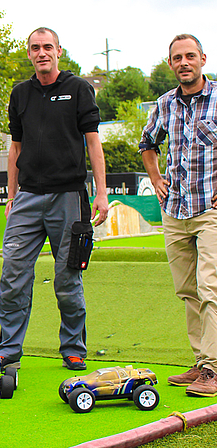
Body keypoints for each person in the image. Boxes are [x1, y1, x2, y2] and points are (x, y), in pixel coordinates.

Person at [0, 27, 109, 371]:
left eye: (47, 47)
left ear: (59, 51)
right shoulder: (20, 94)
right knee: (13, 275)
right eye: (35, 48)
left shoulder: (78, 89)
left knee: (67, 278)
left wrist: (101, 192)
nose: (41, 52)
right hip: (27, 197)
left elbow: (93, 142)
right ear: (28, 54)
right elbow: (15, 148)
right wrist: (11, 195)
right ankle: (8, 349)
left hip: (69, 197)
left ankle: (73, 347)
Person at [140, 34, 217, 397]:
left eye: (190, 56)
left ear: (203, 58)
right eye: (177, 58)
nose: (184, 62)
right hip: (175, 211)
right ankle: (202, 360)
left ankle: (214, 370)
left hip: (210, 210)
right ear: (170, 64)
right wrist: (155, 178)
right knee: (188, 290)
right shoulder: (165, 103)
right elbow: (147, 142)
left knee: (210, 288)